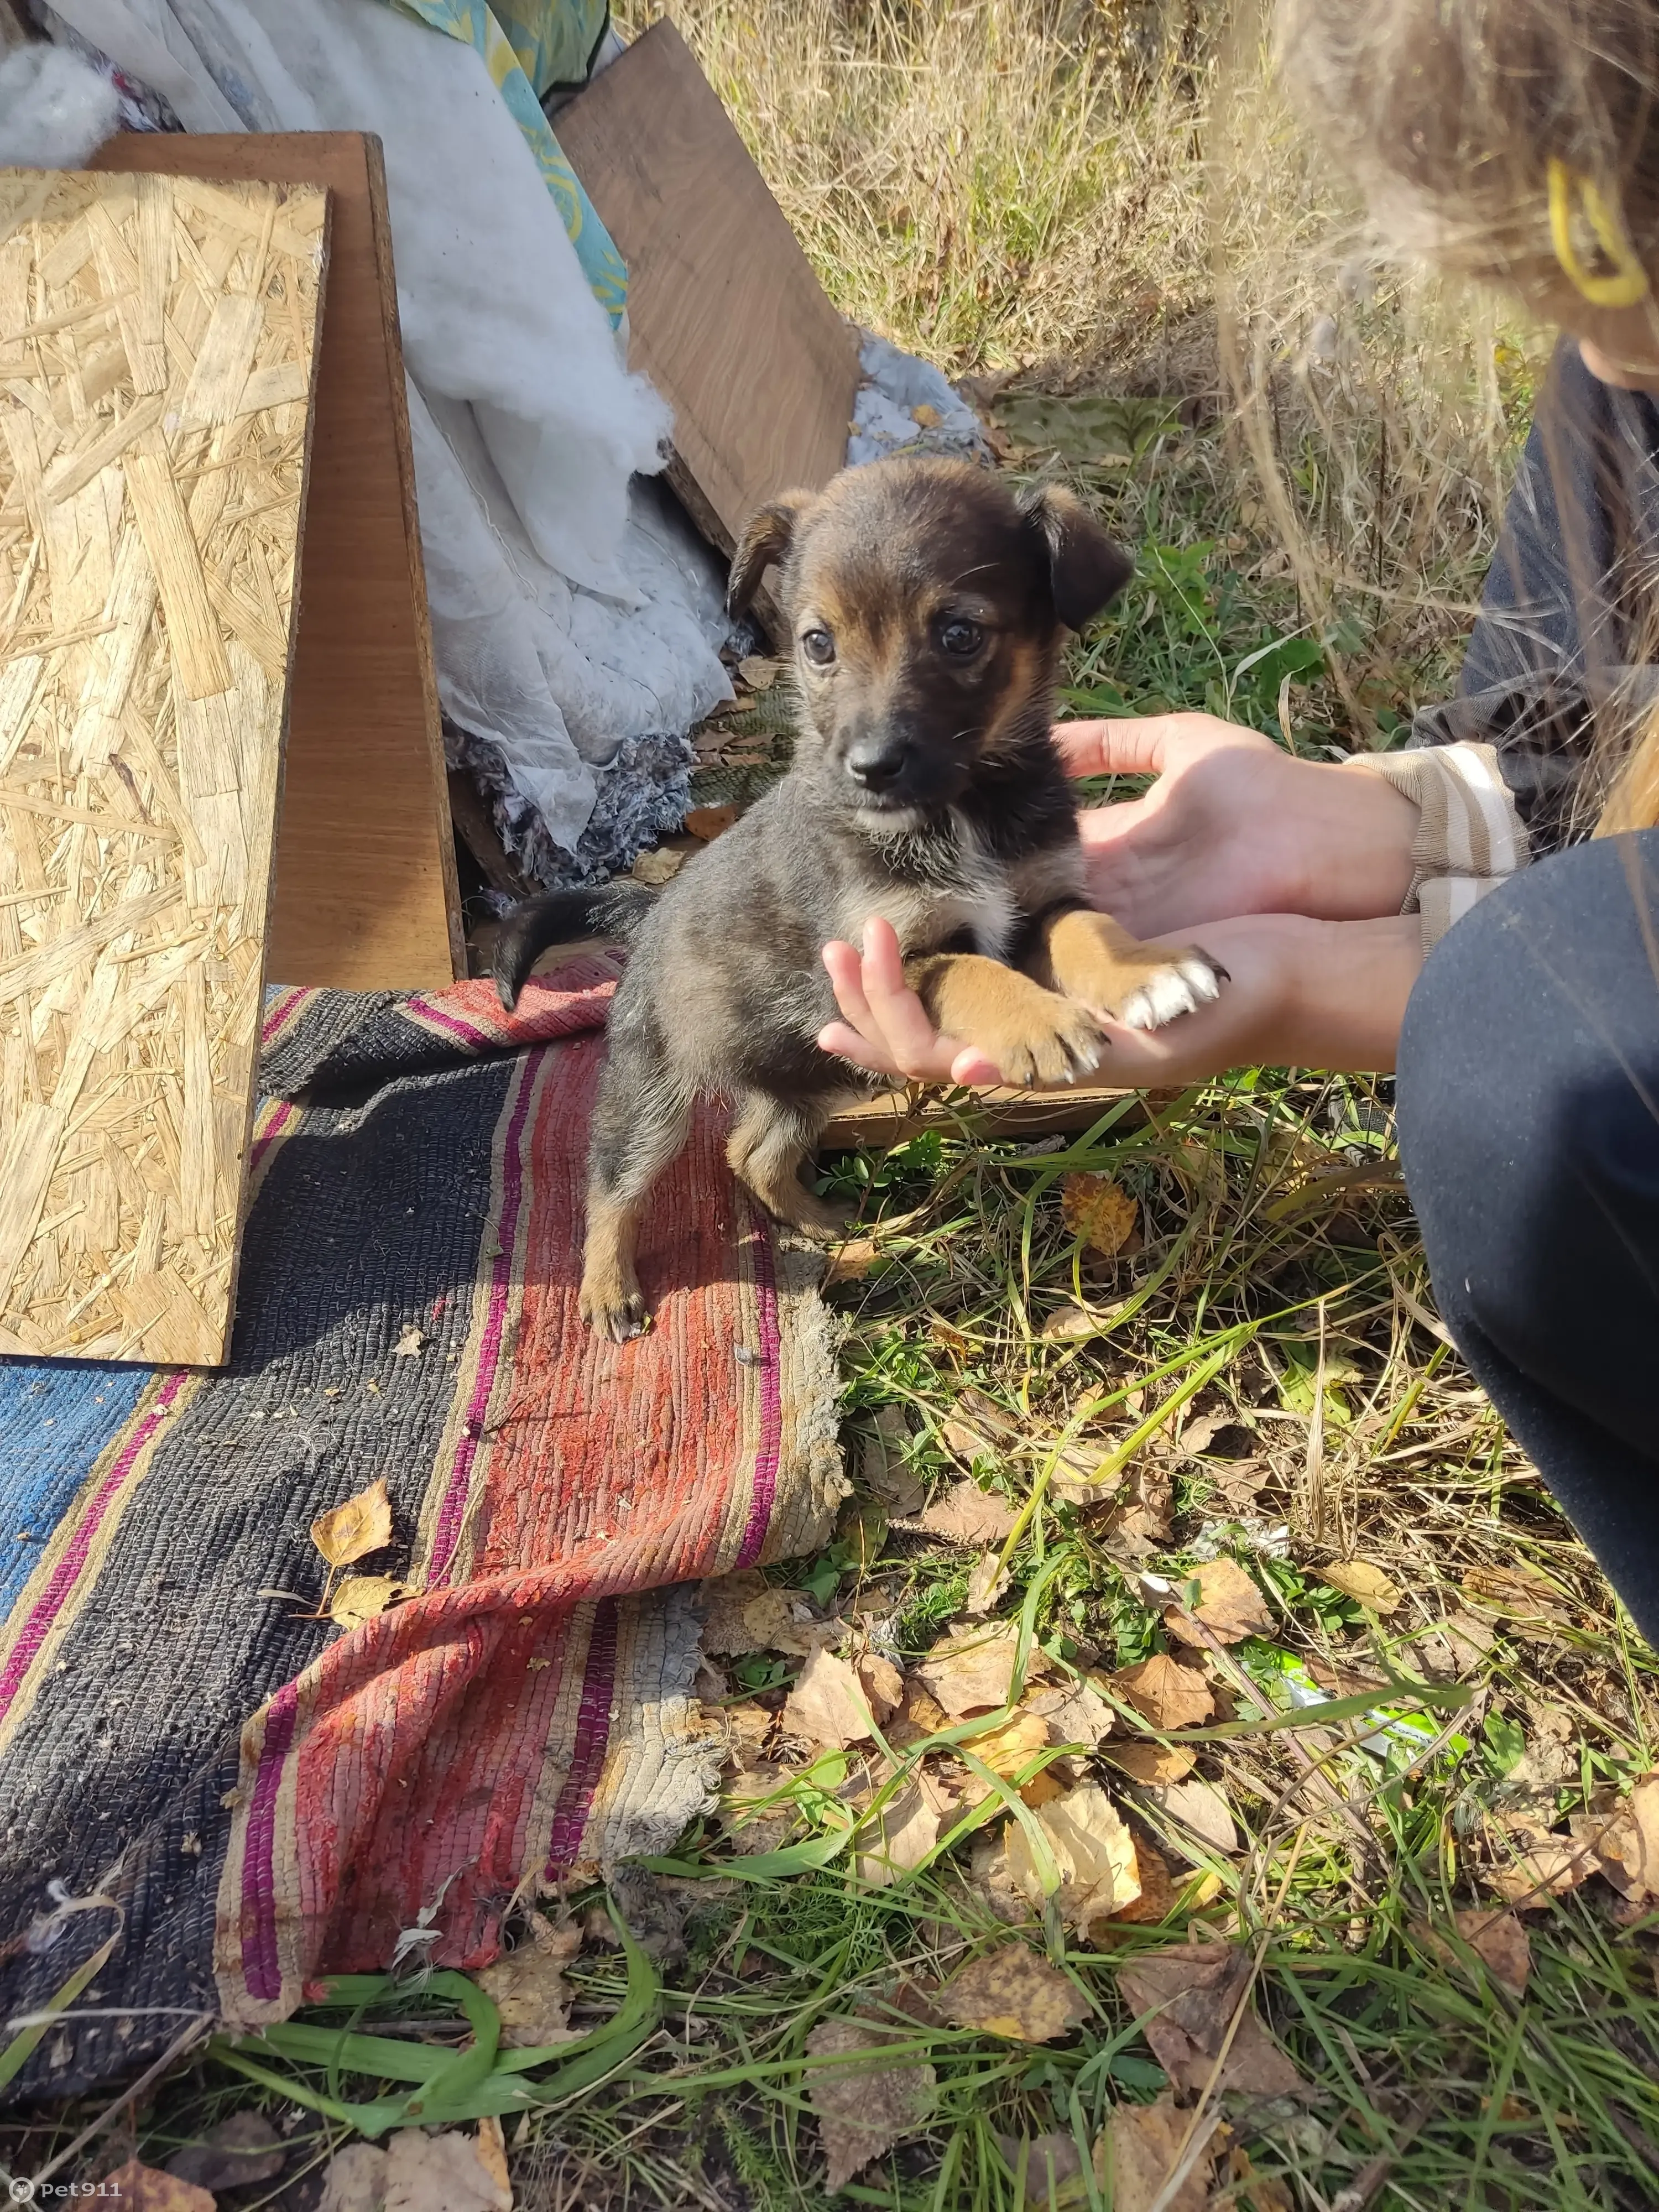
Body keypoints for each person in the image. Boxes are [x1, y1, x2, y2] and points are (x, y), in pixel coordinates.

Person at [817, 0, 1659, 1645]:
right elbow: (1583, 741)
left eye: (1608, 271)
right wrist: (1395, 819)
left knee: (1527, 1086)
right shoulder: (1624, 344)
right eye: (1559, 296)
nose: (1606, 357)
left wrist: (1315, 992)